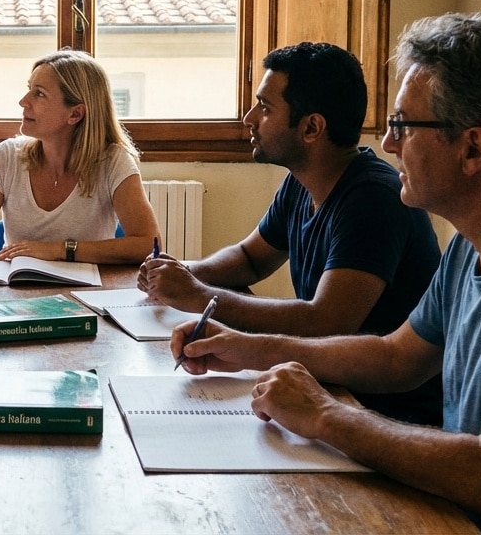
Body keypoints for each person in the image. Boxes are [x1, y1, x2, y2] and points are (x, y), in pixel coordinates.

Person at [174, 13, 481, 533]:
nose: (390, 144)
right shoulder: (474, 242)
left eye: (402, 125)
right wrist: (244, 346)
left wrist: (326, 415)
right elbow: (397, 356)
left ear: (473, 149)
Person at [138, 42, 442, 425]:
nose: (249, 118)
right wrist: (182, 272)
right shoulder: (302, 181)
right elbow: (250, 258)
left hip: (385, 413)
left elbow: (326, 322)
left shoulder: (373, 198)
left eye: (265, 108)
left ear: (311, 128)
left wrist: (198, 295)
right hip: (328, 388)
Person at [0, 49, 158, 267]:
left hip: (87, 297)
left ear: (75, 114)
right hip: (17, 294)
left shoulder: (114, 162)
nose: (23, 101)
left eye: (39, 93)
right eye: (29, 88)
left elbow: (149, 245)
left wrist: (59, 250)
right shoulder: (6, 157)